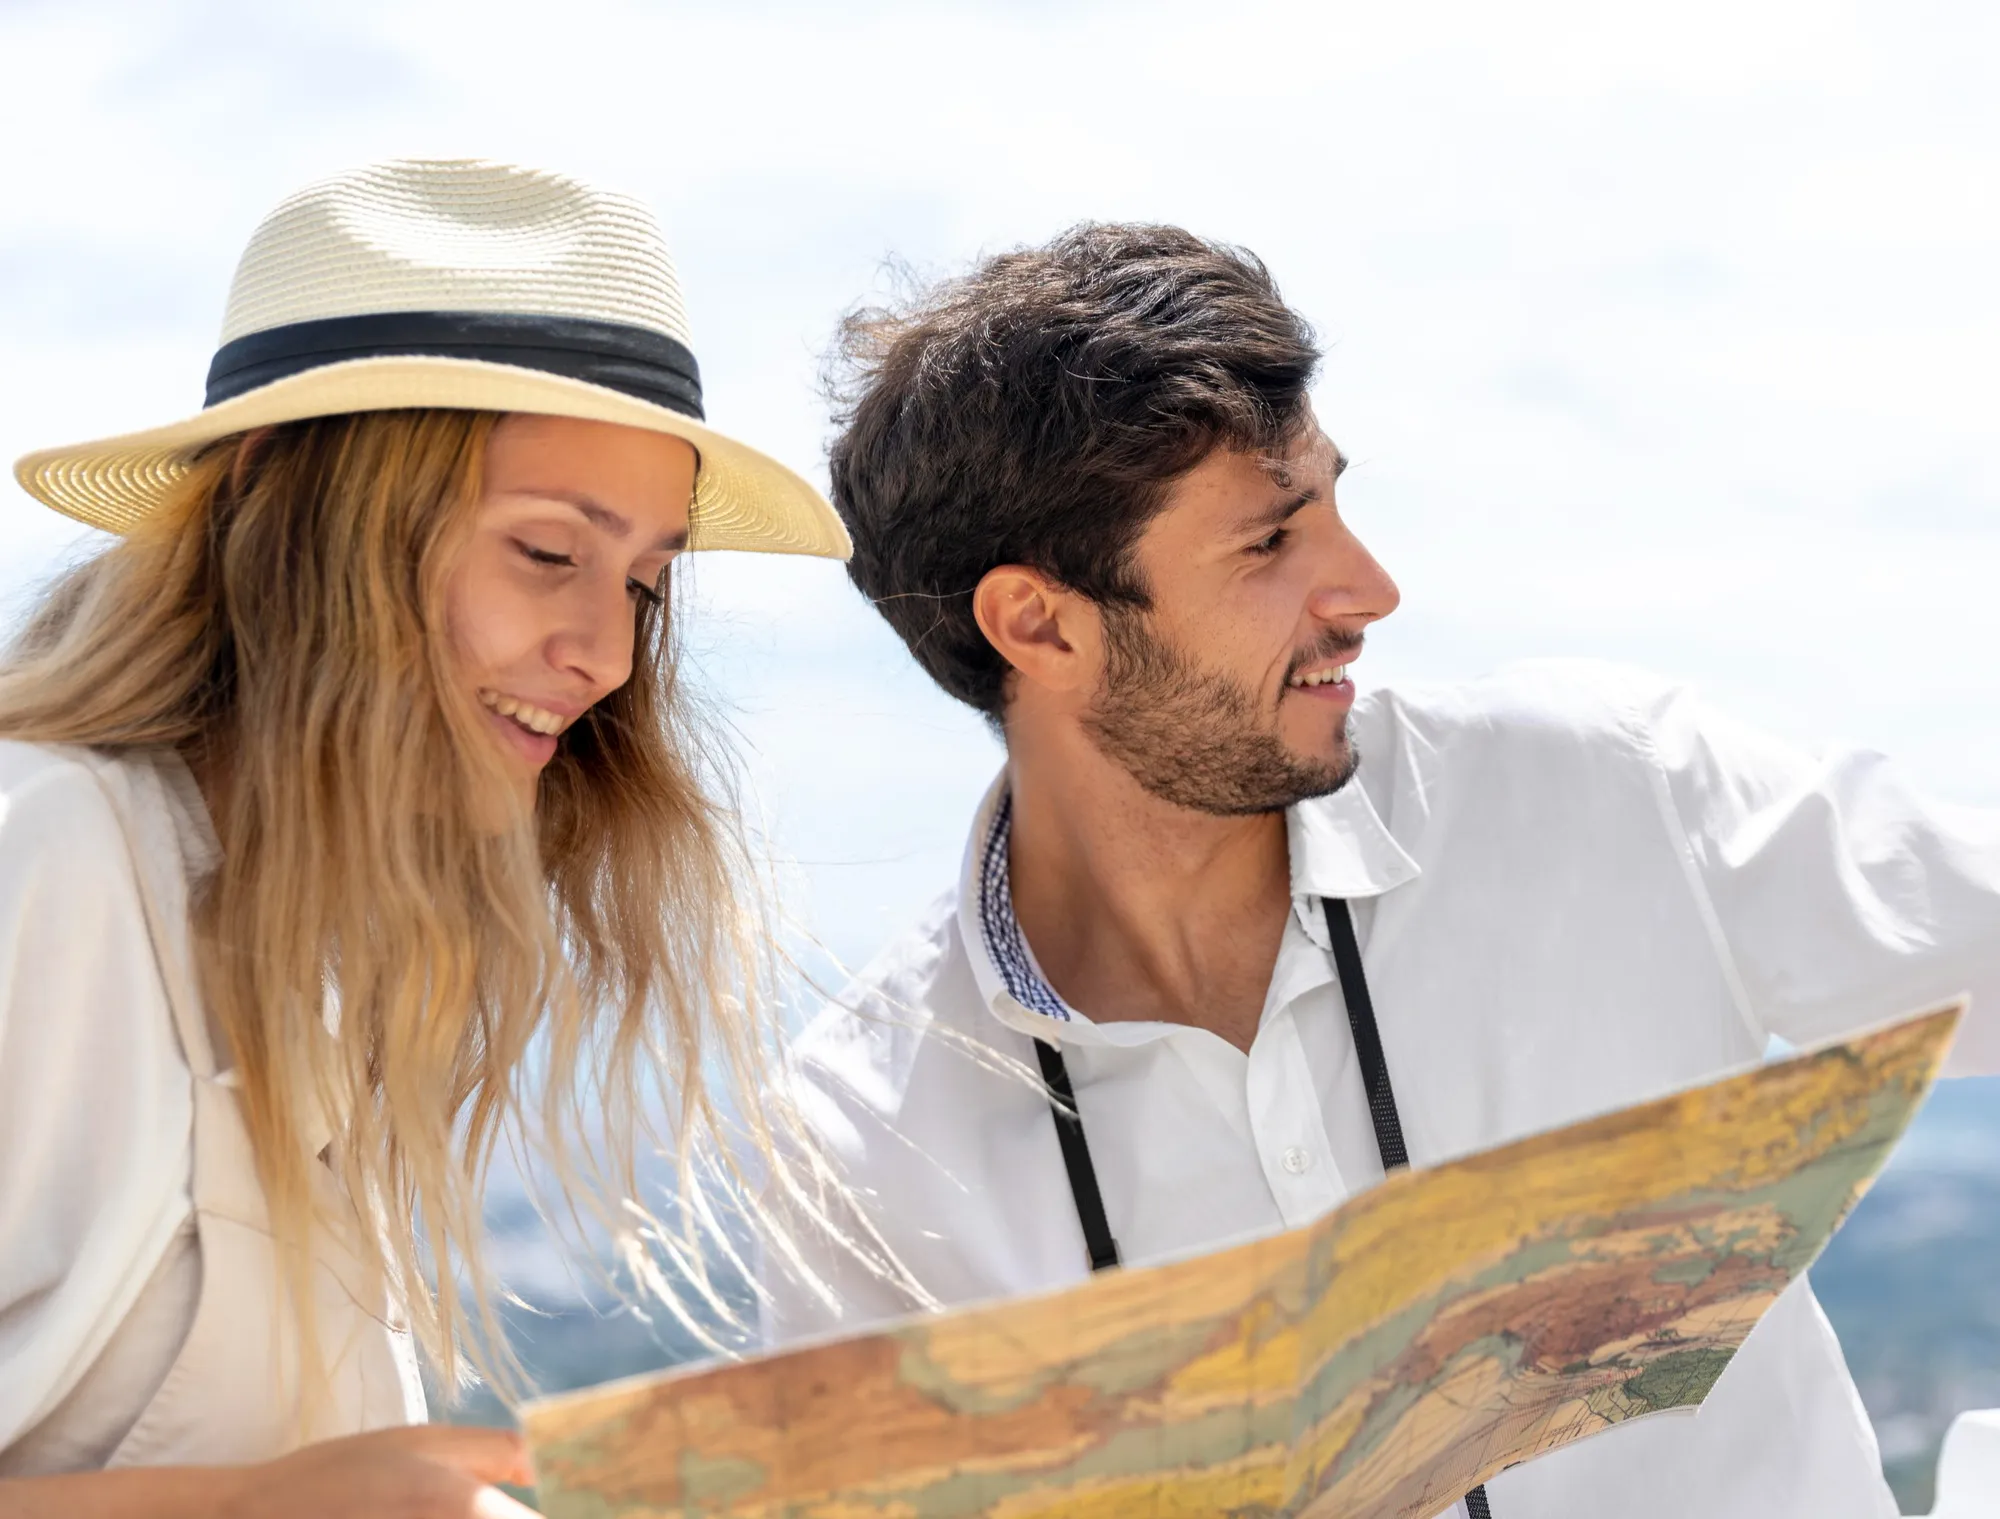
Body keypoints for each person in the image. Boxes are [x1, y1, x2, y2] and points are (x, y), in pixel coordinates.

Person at [758, 223, 2000, 1519]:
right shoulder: (861, 1145)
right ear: (1040, 623)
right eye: (1269, 542)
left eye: (1335, 504)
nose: (1369, 587)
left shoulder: (1606, 790)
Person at [0, 158, 853, 1517]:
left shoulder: (317, 935)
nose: (609, 654)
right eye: (543, 552)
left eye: (643, 579)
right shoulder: (46, 857)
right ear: (305, 511)